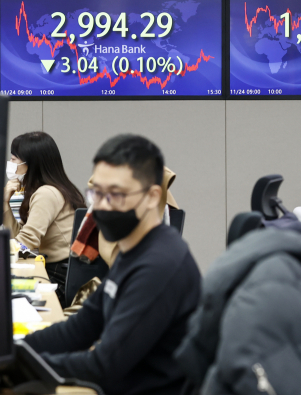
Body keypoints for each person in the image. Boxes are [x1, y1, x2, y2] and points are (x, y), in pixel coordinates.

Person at [24, 134, 201, 395]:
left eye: (116, 194)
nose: (102, 206)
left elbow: (104, 365)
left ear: (153, 196)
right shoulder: (133, 251)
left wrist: (21, 366)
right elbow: (79, 329)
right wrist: (16, 351)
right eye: (97, 193)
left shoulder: (159, 266)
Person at [3, 132, 85, 304]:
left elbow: (26, 243)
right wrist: (5, 204)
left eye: (14, 160)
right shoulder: (48, 190)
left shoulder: (46, 193)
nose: (11, 165)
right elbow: (22, 237)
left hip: (61, 277)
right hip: (60, 270)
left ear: (31, 164)